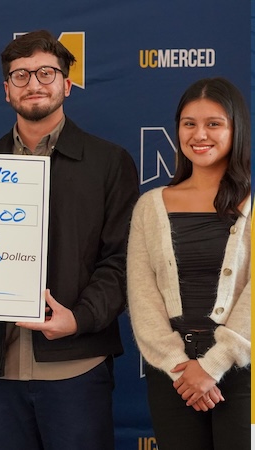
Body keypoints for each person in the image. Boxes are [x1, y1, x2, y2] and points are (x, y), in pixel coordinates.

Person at [0, 30, 139, 450]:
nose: (33, 83)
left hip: (77, 366)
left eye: (46, 73)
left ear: (66, 84)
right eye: (20, 75)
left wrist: (80, 317)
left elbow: (123, 260)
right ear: (6, 90)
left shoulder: (109, 162)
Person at [127, 77, 251, 450]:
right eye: (189, 123)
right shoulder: (151, 206)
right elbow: (142, 293)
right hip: (173, 373)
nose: (200, 134)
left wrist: (213, 365)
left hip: (243, 369)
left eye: (214, 123)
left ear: (236, 130)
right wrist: (182, 367)